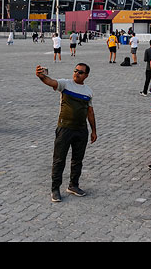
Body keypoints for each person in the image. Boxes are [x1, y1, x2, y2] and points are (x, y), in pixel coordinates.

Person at [35, 63, 97, 203]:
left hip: (81, 130)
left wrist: (93, 130)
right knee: (59, 159)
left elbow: (90, 112)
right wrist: (41, 76)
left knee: (77, 160)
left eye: (80, 72)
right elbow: (50, 81)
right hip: (65, 128)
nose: (76, 73)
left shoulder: (88, 91)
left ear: (86, 75)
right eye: (75, 71)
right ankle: (55, 188)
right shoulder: (65, 84)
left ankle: (73, 185)